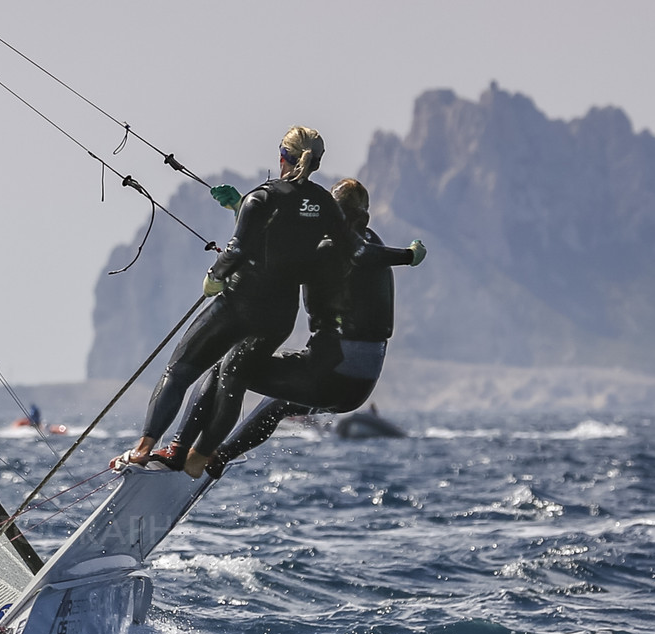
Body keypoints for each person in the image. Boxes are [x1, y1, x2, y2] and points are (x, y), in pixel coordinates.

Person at [115, 126, 374, 474]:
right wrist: (406, 256)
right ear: (317, 162)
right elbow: (306, 242)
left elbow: (240, 249)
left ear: (282, 157)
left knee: (179, 371)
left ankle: (146, 449)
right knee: (232, 374)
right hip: (280, 317)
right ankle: (200, 456)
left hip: (240, 305)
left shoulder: (263, 197)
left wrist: (215, 276)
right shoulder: (324, 205)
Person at [167, 178, 425, 477]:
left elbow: (280, 255)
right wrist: (242, 209)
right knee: (278, 404)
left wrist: (240, 246)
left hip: (331, 372)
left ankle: (183, 451)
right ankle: (218, 458)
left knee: (226, 369)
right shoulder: (370, 242)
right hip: (359, 386)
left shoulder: (335, 248)